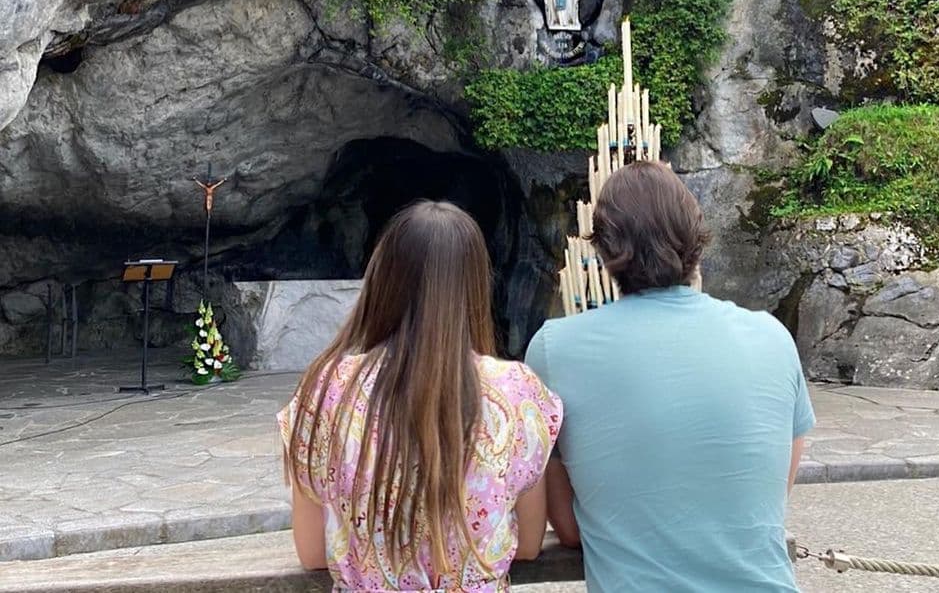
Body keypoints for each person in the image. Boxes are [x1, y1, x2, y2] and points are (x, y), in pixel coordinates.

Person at [525, 160, 814, 593]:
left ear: (603, 250)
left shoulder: (555, 349)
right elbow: (768, 499)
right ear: (697, 240)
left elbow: (569, 528)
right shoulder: (772, 336)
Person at [279, 200, 563, 592]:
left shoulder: (326, 392)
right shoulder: (517, 395)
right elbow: (528, 545)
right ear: (476, 287)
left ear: (382, 279)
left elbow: (312, 552)